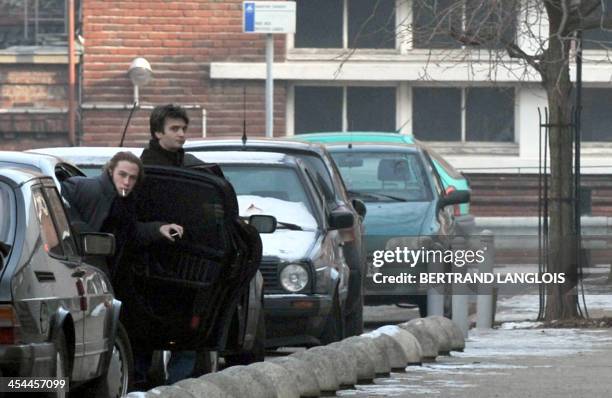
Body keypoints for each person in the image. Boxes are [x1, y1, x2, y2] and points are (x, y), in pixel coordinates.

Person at [61, 151, 184, 389]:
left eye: (132, 178)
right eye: (122, 175)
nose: (126, 182)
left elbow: (130, 232)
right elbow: (63, 198)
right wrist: (83, 233)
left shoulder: (125, 201)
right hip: (85, 272)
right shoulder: (89, 189)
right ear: (110, 171)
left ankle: (129, 383)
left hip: (110, 274)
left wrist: (159, 229)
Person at [141, 104, 204, 384]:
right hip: (151, 264)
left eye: (183, 129)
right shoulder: (145, 170)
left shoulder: (189, 165)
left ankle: (179, 386)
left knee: (186, 333)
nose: (181, 135)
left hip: (187, 263)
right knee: (146, 331)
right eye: (174, 129)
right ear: (157, 132)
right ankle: (139, 384)